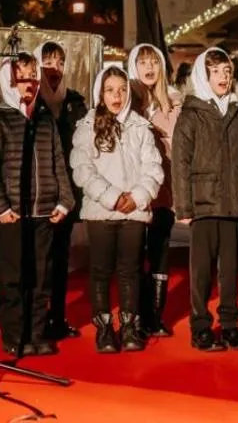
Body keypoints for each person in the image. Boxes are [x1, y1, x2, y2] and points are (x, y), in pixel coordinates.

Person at [173, 47, 238, 353]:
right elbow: (180, 163)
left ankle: (229, 326)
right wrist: (184, 207)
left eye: (227, 72)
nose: (224, 77)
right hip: (202, 203)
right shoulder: (191, 114)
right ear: (204, 75)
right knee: (201, 271)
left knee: (230, 270)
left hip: (232, 202)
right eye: (216, 72)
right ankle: (200, 326)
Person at [71, 62, 164, 354]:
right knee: (100, 270)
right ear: (100, 93)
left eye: (122, 90)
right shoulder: (87, 126)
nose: (117, 96)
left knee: (131, 270)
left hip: (133, 212)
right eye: (110, 90)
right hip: (101, 211)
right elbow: (82, 169)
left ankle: (129, 326)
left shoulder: (139, 127)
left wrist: (136, 197)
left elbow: (153, 168)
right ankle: (104, 328)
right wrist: (111, 197)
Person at [0, 53, 74, 359]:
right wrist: (0, 206)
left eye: (33, 76)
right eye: (23, 76)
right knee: (14, 277)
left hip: (43, 211)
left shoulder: (43, 118)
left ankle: (37, 332)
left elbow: (58, 160)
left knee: (41, 276)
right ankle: (15, 334)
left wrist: (65, 199)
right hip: (13, 213)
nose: (30, 83)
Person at [127, 42, 182, 338]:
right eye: (143, 62)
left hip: (165, 190)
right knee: (134, 253)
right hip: (134, 192)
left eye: (154, 62)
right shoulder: (125, 102)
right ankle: (134, 315)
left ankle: (155, 315)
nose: (149, 68)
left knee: (160, 252)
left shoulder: (174, 104)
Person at [35, 39, 87, 340]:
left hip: (65, 194)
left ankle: (58, 316)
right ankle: (38, 318)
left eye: (59, 62)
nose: (54, 68)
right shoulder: (30, 101)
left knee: (60, 258)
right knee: (39, 260)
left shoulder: (75, 102)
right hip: (38, 192)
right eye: (48, 61)